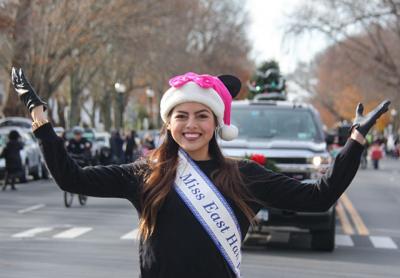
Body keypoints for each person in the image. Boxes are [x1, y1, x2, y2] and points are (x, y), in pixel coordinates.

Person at [11, 68, 390, 278]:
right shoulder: (147, 173)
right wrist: (41, 121)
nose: (191, 125)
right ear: (168, 123)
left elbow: (318, 196)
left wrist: (355, 141)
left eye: (202, 116)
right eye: (181, 116)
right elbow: (71, 178)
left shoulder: (243, 176)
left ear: (217, 123)